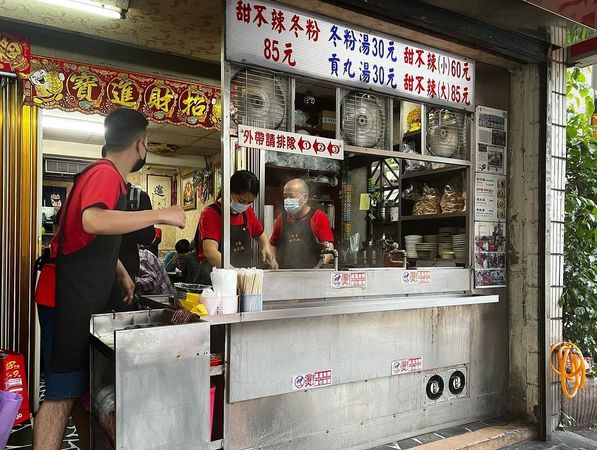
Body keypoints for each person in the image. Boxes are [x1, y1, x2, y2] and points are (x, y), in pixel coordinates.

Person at [33, 108, 186, 450]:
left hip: (78, 295)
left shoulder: (107, 178)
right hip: (65, 297)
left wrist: (119, 271)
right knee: (60, 394)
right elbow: (93, 221)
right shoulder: (104, 173)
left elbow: (85, 235)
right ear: (141, 143)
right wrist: (161, 212)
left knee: (78, 390)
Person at [194, 170, 277, 284]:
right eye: (241, 200)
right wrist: (233, 274)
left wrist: (266, 246)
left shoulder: (247, 212)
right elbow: (210, 252)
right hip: (215, 279)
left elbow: (260, 234)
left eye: (249, 202)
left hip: (239, 280)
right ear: (229, 191)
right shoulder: (211, 213)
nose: (244, 205)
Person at [106, 183, 155, 312]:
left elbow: (147, 238)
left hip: (123, 274)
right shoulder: (136, 197)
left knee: (119, 321)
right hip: (110, 270)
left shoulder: (137, 197)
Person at [269, 178, 335, 269]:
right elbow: (273, 244)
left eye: (291, 197)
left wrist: (319, 267)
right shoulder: (281, 218)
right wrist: (273, 261)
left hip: (311, 274)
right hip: (284, 274)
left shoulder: (319, 217)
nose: (287, 200)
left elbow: (329, 246)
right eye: (285, 197)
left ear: (305, 197)